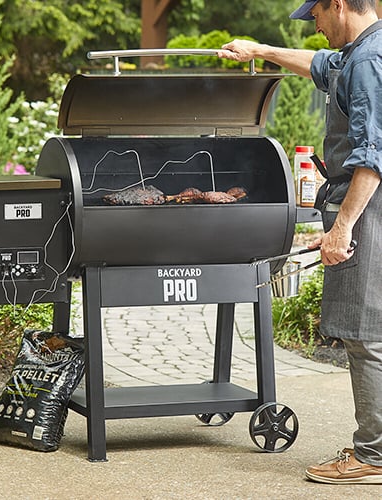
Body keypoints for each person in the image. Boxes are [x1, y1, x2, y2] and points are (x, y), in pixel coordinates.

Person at [217, 0, 382, 485]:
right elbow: (315, 63)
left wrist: (342, 227)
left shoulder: (369, 61)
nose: (315, 25)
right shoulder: (358, 53)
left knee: (364, 333)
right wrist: (258, 49)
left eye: (316, 15)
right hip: (366, 206)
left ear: (337, 3)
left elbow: (372, 156)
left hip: (368, 209)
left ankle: (373, 457)